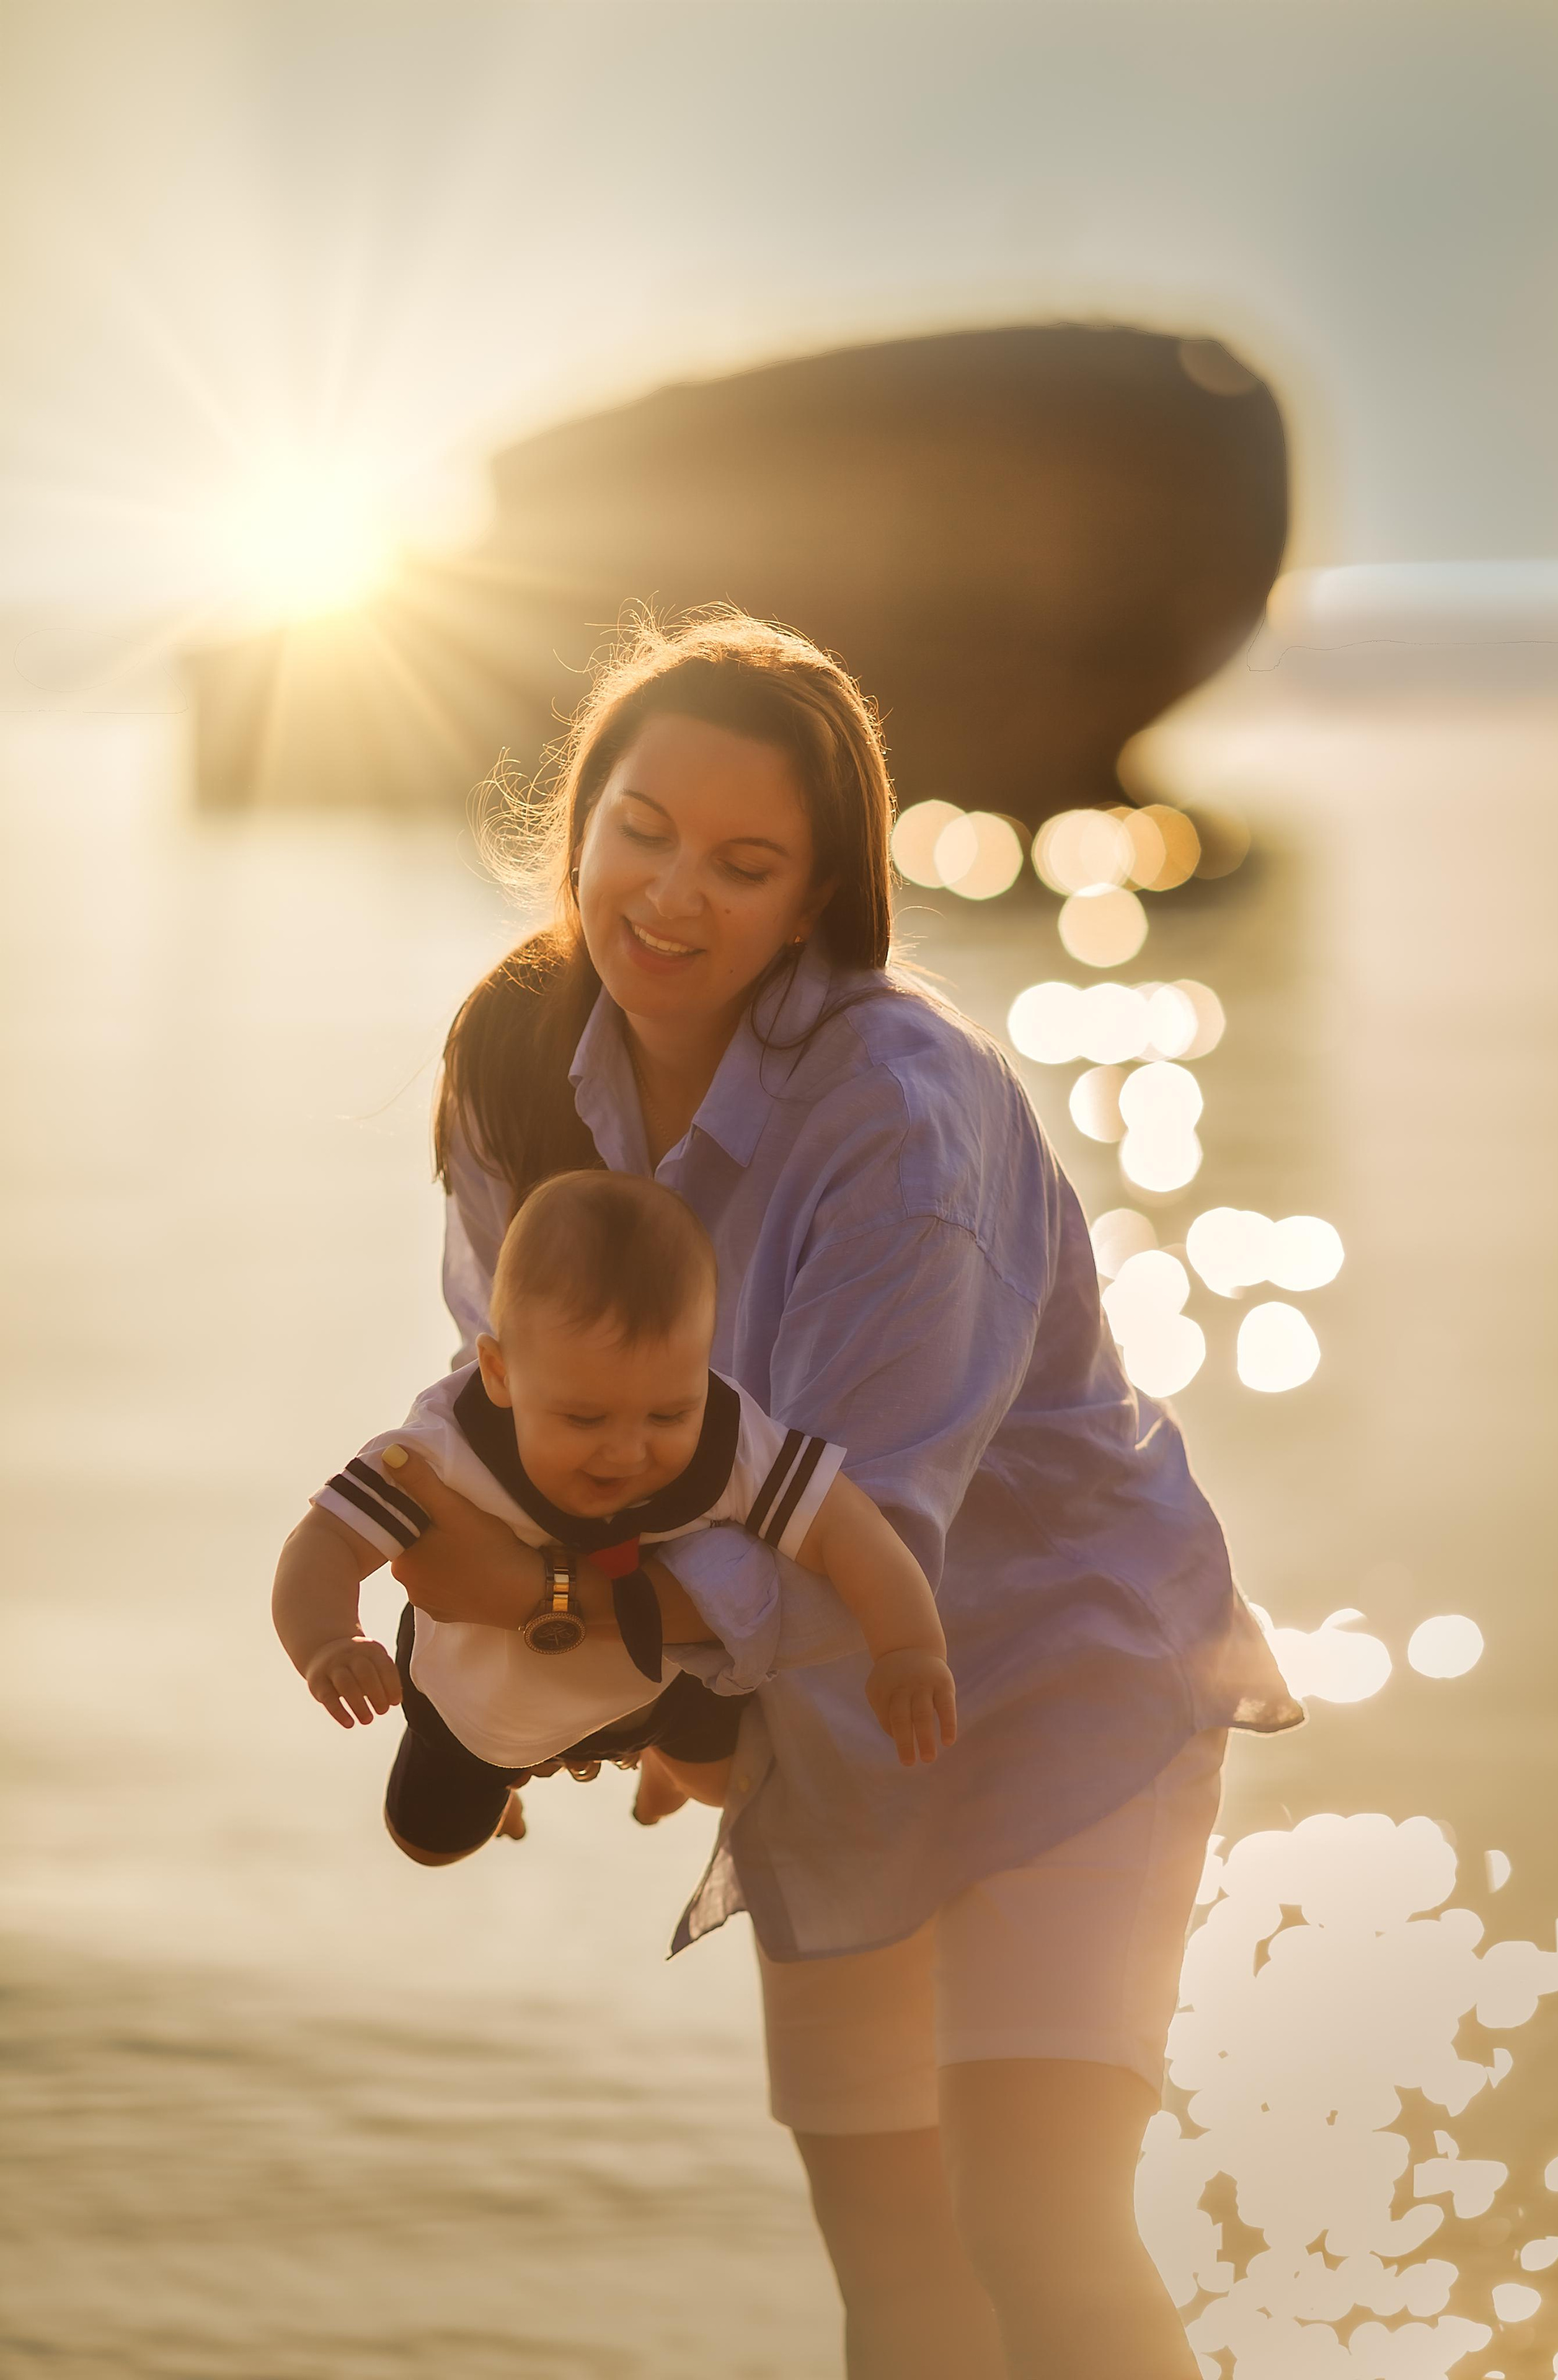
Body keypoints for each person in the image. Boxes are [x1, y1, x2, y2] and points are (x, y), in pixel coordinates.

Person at [383, 609, 1303, 2380]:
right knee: (897, 2267)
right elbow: (526, 1412)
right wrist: (515, 1660)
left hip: (1049, 1664)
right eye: (641, 828)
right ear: (584, 817)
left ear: (814, 902)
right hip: (806, 1693)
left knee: (1036, 2221)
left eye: (744, 864)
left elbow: (879, 1521)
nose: (669, 894)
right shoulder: (518, 1054)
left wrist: (581, 1624)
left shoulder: (902, 1113)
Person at [272, 1168, 957, 1862]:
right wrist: (330, 1641)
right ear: (500, 1373)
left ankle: (660, 1761)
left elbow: (850, 1529)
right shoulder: (442, 1450)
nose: (628, 1452)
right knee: (428, 1841)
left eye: (668, 1412)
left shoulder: (727, 1437)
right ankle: (504, 1789)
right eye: (584, 1417)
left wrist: (908, 1648)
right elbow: (324, 1541)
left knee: (728, 1786)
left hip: (658, 1687)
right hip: (478, 1712)